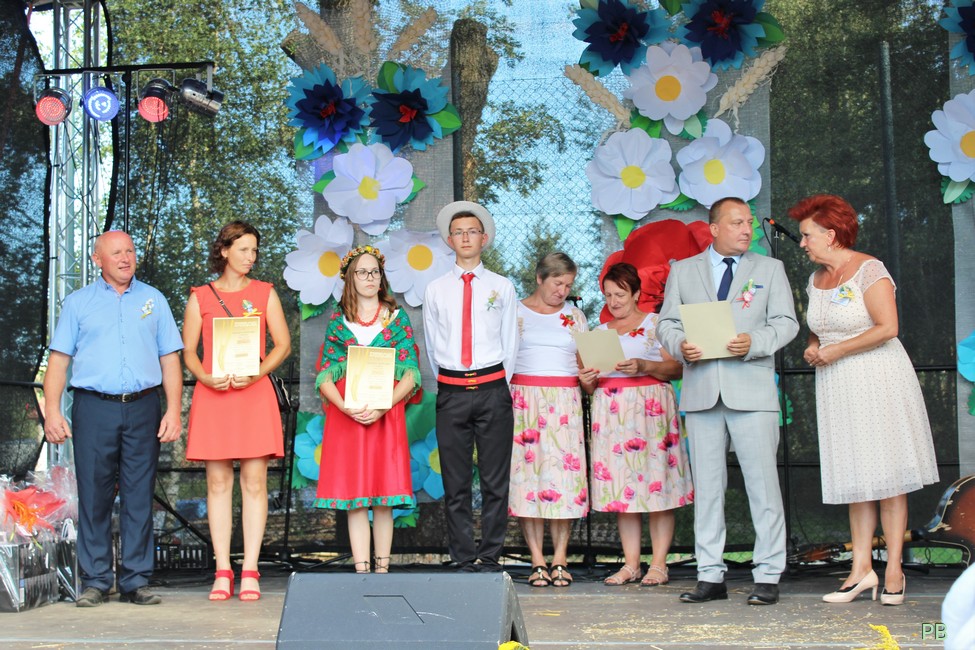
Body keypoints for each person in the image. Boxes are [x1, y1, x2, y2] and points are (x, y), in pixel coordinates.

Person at [787, 194, 938, 605]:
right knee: (855, 478)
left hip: (878, 379)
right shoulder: (816, 280)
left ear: (831, 235)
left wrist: (836, 350)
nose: (803, 243)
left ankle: (894, 570)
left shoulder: (870, 270)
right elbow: (819, 328)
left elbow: (888, 327)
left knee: (888, 477)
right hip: (838, 385)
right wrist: (814, 346)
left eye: (807, 235)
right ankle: (860, 570)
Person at [657, 197, 799, 605]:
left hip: (752, 390)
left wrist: (755, 342)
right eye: (737, 222)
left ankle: (768, 573)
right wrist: (681, 346)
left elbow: (786, 323)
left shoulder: (769, 269)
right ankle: (709, 575)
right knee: (708, 489)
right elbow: (666, 323)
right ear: (714, 228)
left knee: (762, 487)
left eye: (749, 222)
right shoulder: (683, 271)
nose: (747, 229)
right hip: (702, 391)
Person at [43, 230, 183, 607]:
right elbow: (59, 361)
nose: (125, 258)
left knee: (139, 494)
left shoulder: (154, 299)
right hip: (93, 407)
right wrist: (52, 411)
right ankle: (96, 581)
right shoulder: (78, 303)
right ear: (97, 259)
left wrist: (173, 410)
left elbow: (170, 358)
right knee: (94, 494)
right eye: (117, 252)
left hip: (143, 406)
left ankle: (136, 581)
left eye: (130, 251)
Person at [183, 221, 291, 601]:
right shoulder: (200, 297)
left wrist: (257, 374)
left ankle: (250, 570)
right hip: (214, 396)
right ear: (224, 250)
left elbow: (282, 345)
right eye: (244, 249)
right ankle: (223, 569)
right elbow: (188, 352)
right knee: (217, 484)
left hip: (253, 394)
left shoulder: (265, 293)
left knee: (255, 483)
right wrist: (205, 377)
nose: (251, 257)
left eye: (255, 250)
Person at [579, 263, 693, 587]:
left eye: (620, 294)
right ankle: (631, 564)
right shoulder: (598, 333)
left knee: (658, 487)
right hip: (612, 415)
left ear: (637, 293)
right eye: (608, 295)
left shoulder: (656, 324)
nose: (613, 301)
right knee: (623, 489)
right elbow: (589, 386)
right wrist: (586, 380)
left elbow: (678, 368)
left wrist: (644, 365)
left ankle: (659, 564)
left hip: (652, 412)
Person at [423, 200, 518, 572]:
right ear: (449, 240)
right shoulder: (435, 290)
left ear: (484, 238)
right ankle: (463, 556)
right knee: (455, 480)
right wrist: (453, 380)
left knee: (495, 479)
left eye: (472, 231)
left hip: (493, 388)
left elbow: (510, 343)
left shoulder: (501, 287)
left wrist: (495, 384)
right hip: (452, 391)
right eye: (458, 232)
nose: (465, 238)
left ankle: (490, 555)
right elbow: (433, 344)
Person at [313, 245, 421, 574]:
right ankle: (362, 571)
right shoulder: (339, 322)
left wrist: (384, 404)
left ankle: (382, 570)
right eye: (362, 272)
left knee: (384, 496)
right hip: (348, 416)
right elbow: (324, 375)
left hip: (385, 415)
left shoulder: (397, 319)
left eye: (375, 271)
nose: (370, 277)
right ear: (350, 278)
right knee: (356, 497)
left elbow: (411, 373)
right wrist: (345, 407)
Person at [508, 252, 589, 588]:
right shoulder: (514, 312)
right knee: (527, 479)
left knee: (564, 479)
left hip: (565, 401)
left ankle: (560, 559)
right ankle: (537, 560)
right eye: (557, 283)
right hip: (523, 400)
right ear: (539, 278)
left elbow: (587, 369)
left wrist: (590, 378)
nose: (562, 291)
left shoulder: (575, 316)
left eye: (568, 285)